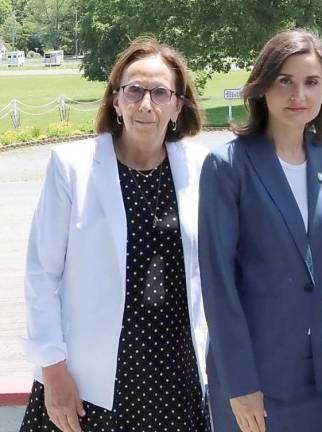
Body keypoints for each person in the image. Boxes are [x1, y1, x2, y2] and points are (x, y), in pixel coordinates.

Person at [20, 36, 211, 432]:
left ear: (178, 106)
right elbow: (42, 275)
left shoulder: (203, 168)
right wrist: (53, 370)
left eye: (160, 93)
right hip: (92, 382)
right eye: (134, 90)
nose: (146, 104)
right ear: (115, 100)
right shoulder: (71, 168)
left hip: (176, 372)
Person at [198, 29, 322, 432]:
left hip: (320, 375)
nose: (297, 95)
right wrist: (240, 382)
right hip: (256, 380)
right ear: (263, 85)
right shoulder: (227, 166)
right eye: (285, 80)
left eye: (311, 82)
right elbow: (219, 283)